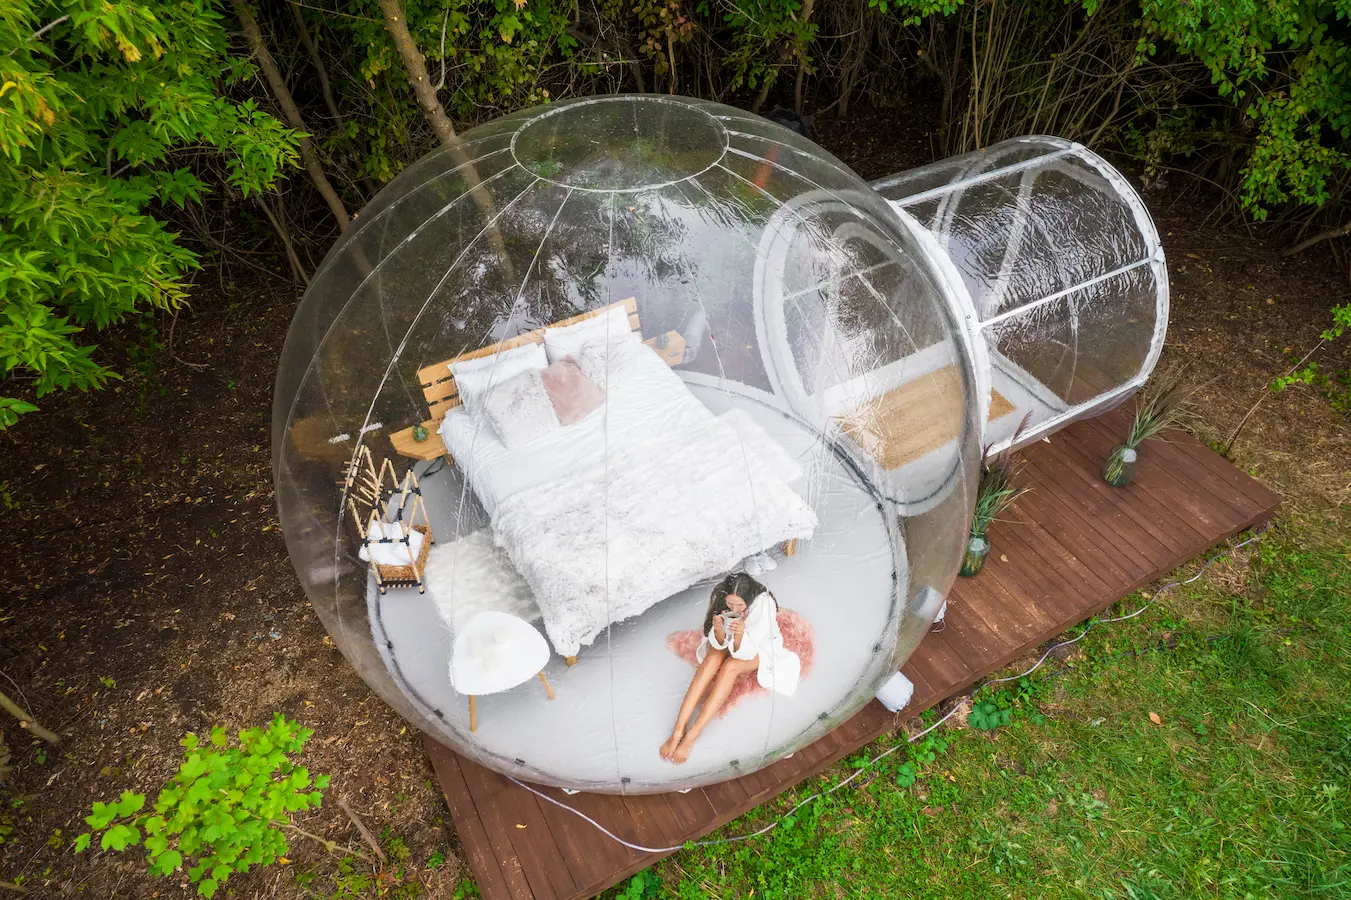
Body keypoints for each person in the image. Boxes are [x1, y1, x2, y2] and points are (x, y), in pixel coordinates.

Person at [659, 572, 801, 764]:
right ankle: (678, 729)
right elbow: (716, 643)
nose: (733, 609)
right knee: (711, 660)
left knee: (730, 666)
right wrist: (718, 631)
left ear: (748, 600)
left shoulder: (763, 605)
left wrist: (740, 635)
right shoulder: (720, 596)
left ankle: (692, 735)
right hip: (731, 640)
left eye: (739, 606)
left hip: (759, 647)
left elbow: (748, 653)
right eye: (730, 604)